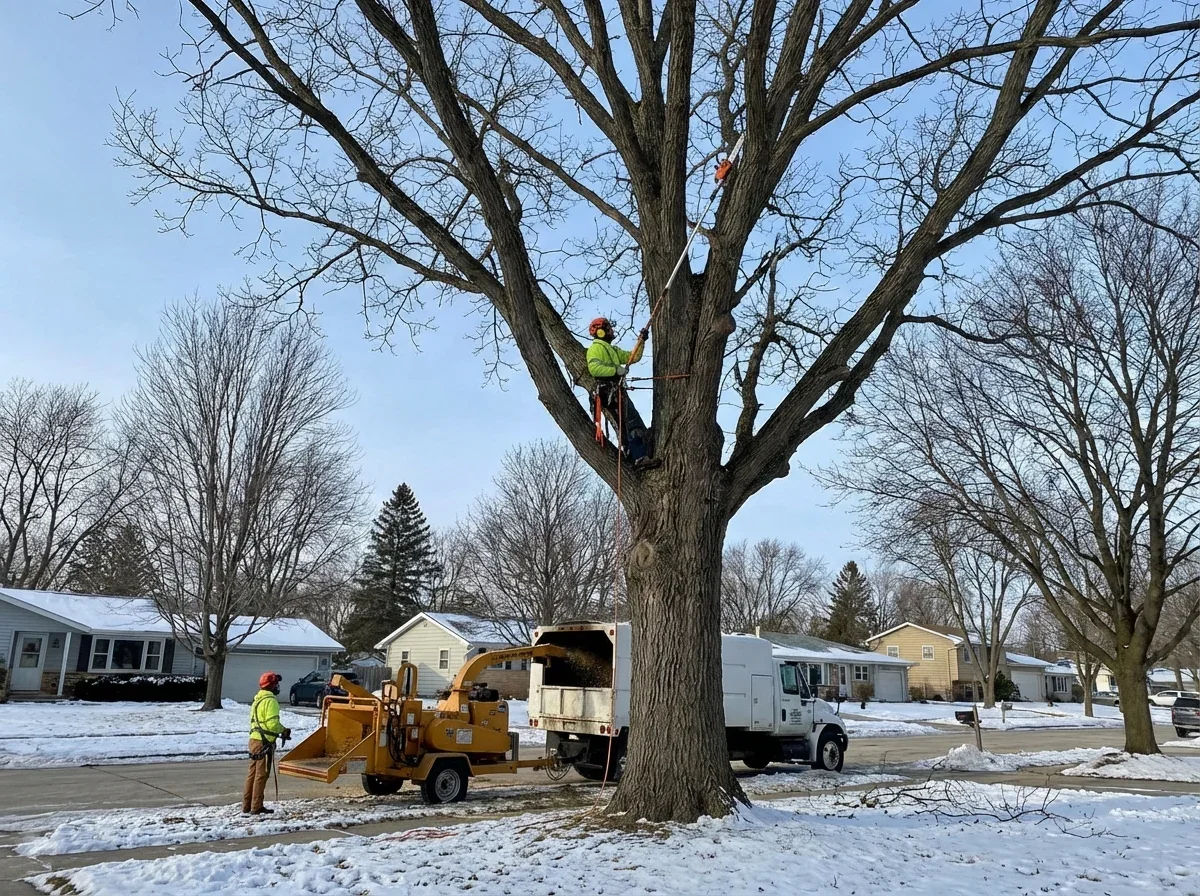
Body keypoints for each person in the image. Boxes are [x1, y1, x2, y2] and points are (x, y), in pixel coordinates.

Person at [587, 317, 660, 469]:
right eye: (608, 329)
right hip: (608, 391)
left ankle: (632, 456)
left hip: (615, 391)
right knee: (632, 421)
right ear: (600, 332)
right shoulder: (595, 348)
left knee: (627, 424)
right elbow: (595, 369)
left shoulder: (612, 350)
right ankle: (639, 457)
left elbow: (633, 357)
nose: (611, 331)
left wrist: (642, 341)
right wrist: (616, 370)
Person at [243, 671, 291, 815]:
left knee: (251, 775)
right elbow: (272, 724)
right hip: (263, 743)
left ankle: (246, 806)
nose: (278, 687)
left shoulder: (257, 699)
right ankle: (256, 807)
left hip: (254, 740)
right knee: (261, 776)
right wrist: (283, 730)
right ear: (272, 685)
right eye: (276, 684)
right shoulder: (270, 701)